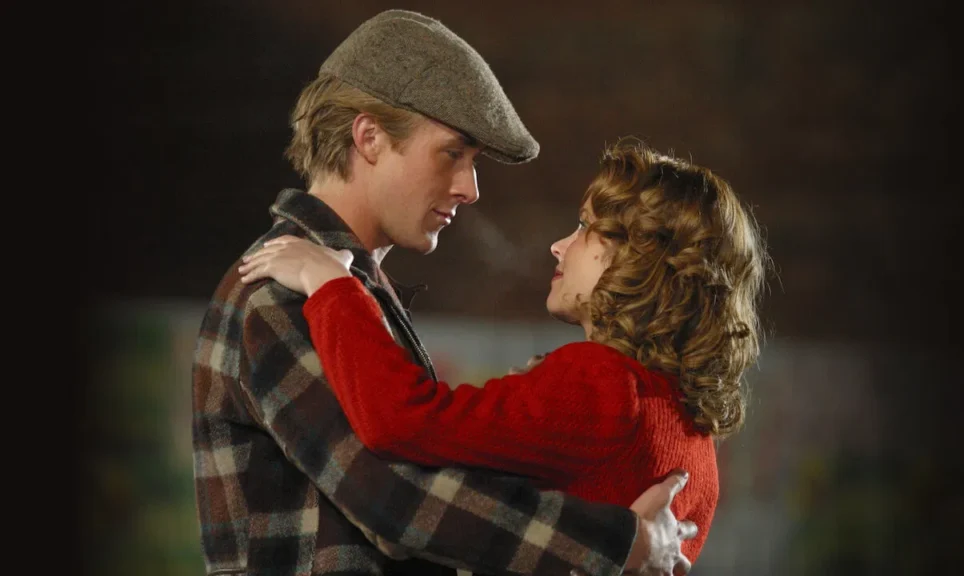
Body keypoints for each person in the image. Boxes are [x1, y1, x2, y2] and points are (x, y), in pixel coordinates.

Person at [193, 9, 696, 576]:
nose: (470, 188)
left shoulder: (343, 289)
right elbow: (396, 500)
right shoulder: (284, 292)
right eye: (452, 154)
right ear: (369, 137)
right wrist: (621, 543)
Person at [238, 139, 769, 566]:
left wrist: (332, 285)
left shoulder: (601, 381)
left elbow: (402, 421)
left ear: (643, 259)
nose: (560, 246)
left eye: (586, 228)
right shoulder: (695, 436)